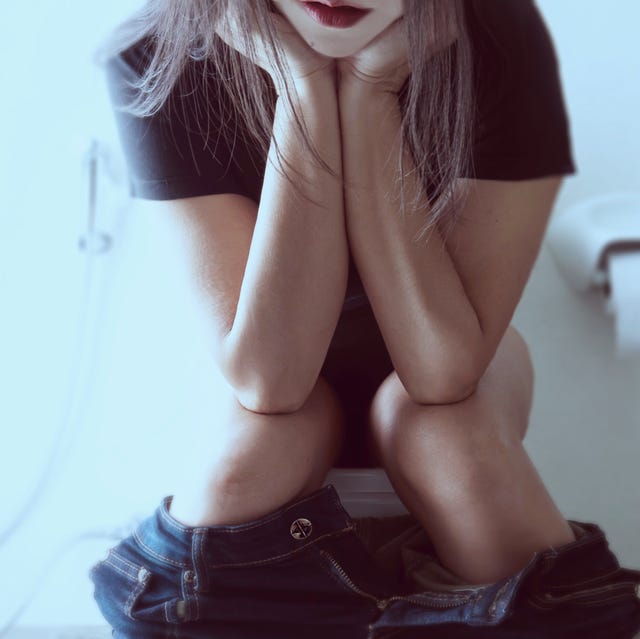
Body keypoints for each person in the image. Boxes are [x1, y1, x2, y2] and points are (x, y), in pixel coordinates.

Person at [89, 1, 640, 637]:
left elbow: (442, 373)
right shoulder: (158, 51)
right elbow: (271, 383)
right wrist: (302, 88)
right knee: (266, 441)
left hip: (449, 372)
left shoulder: (499, 34)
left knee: (438, 435)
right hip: (263, 372)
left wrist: (370, 95)